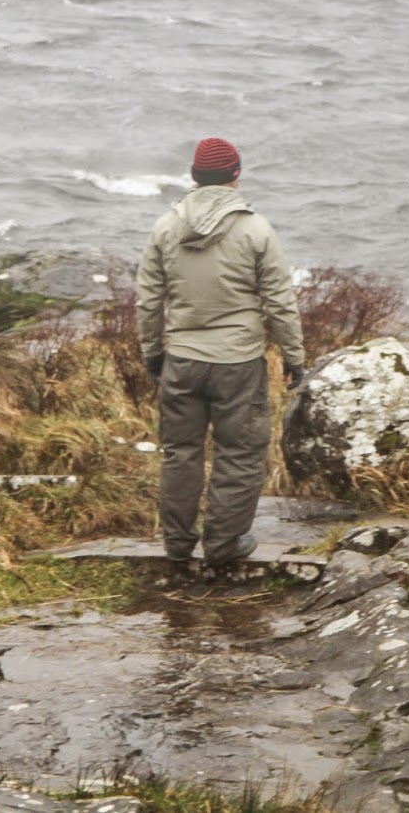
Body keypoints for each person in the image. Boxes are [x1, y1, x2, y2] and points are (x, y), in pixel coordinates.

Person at [136, 137, 305, 571]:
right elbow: (280, 302)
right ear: (235, 175)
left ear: (195, 176)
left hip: (182, 359)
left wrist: (153, 354)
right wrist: (293, 356)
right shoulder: (256, 230)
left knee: (181, 452)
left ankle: (178, 546)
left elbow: (148, 301)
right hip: (238, 362)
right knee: (241, 453)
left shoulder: (165, 227)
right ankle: (224, 545)